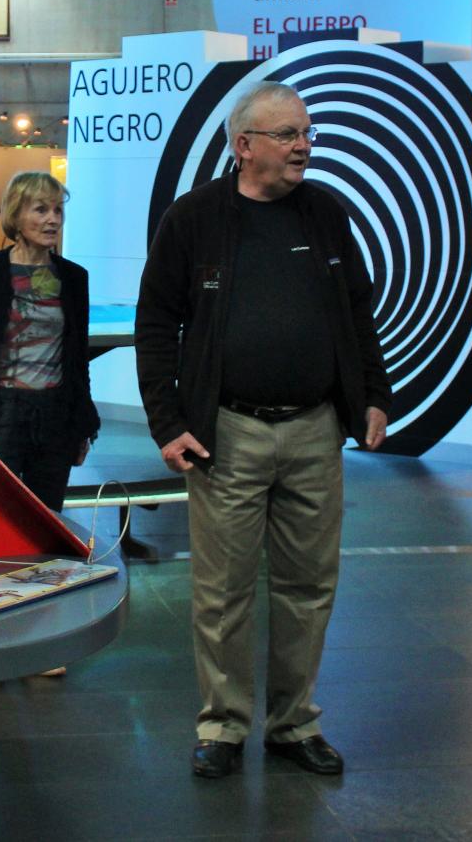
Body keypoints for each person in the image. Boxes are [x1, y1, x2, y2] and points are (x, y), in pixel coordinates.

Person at [134, 81, 391, 779]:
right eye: (287, 134)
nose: (304, 145)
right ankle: (222, 724)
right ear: (243, 145)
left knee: (310, 585)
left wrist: (374, 396)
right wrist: (168, 420)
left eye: (307, 132)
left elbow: (357, 313)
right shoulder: (194, 219)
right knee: (222, 590)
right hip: (227, 432)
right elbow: (157, 324)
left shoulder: (326, 213)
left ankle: (293, 723)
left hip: (315, 431)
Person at [0, 171, 99, 513]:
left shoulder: (74, 278)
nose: (52, 220)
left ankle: (46, 570)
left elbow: (77, 361)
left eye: (57, 210)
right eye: (41, 209)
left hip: (56, 415)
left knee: (46, 517)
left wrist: (83, 424)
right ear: (16, 214)